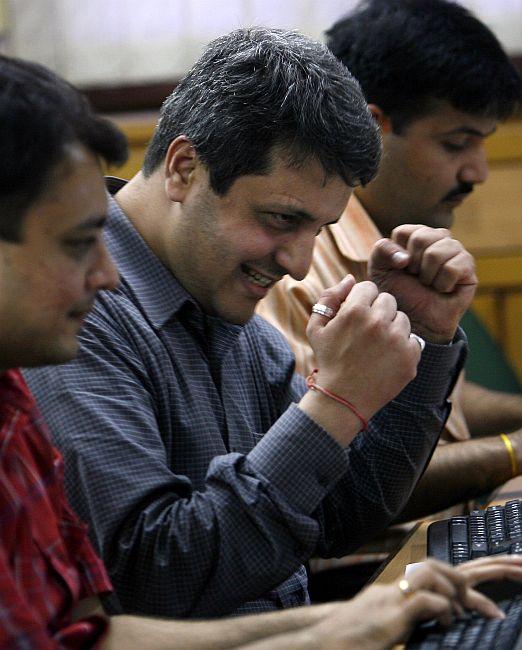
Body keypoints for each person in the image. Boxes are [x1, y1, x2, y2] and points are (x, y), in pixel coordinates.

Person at [26, 27, 475, 619]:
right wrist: (336, 402)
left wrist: (423, 335)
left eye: (318, 229)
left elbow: (337, 518)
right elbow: (152, 576)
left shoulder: (232, 316)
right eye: (280, 218)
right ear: (185, 168)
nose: (296, 263)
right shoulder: (71, 316)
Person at [258, 0, 522, 523]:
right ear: (372, 124)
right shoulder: (296, 271)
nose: (478, 171)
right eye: (456, 143)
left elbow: (427, 399)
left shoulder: (397, 243)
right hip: (367, 578)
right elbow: (330, 482)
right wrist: (514, 451)